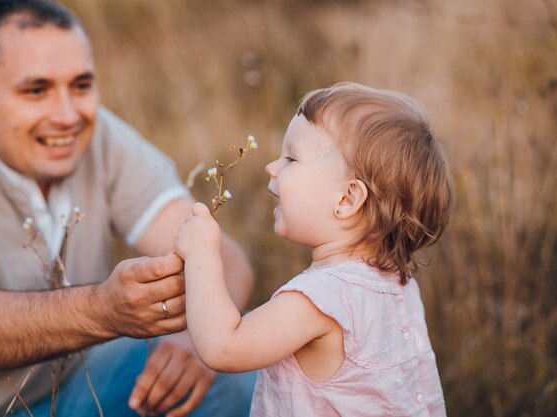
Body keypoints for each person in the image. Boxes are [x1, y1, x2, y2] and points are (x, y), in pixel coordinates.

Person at [0, 1, 256, 416]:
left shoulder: (97, 134)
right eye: (36, 90)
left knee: (234, 371)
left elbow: (225, 256)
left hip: (77, 387)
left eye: (81, 85)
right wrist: (104, 311)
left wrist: (200, 339)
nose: (68, 115)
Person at [174, 82, 452, 416]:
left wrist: (202, 255)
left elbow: (223, 346)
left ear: (346, 199)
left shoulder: (318, 300)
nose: (272, 167)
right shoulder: (399, 288)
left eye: (291, 158)